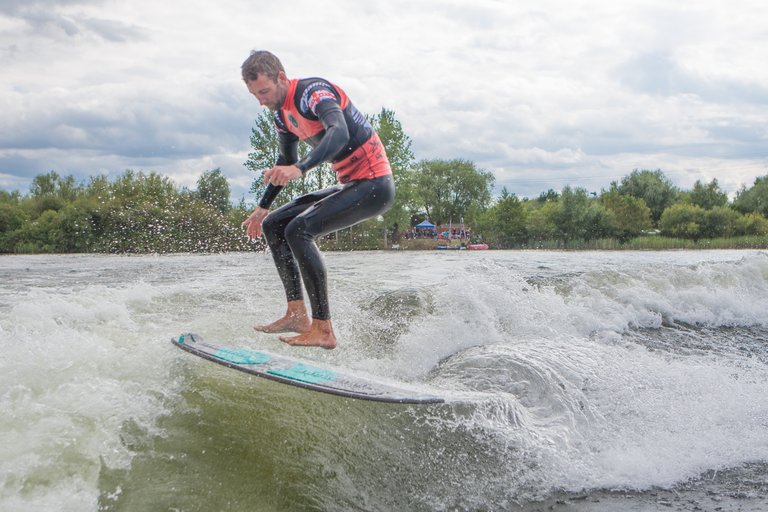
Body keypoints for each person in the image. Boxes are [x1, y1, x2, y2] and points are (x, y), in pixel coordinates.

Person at [240, 50, 395, 349]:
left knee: (299, 229)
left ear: (281, 78)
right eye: (255, 95)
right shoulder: (282, 116)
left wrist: (300, 169)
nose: (260, 100)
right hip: (352, 183)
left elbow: (340, 132)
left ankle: (323, 329)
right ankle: (297, 314)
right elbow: (286, 159)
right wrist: (262, 207)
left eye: (264, 91)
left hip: (375, 183)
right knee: (274, 224)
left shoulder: (313, 93)